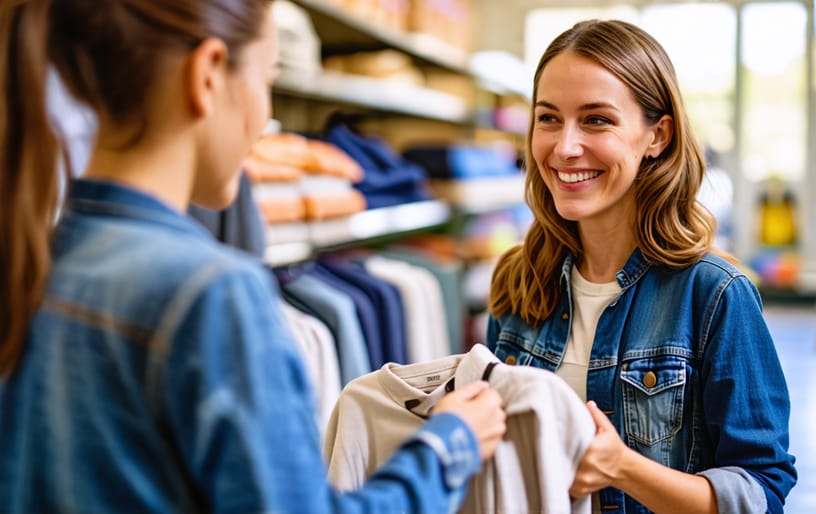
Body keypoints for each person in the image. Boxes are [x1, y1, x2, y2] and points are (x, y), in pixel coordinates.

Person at [0, 1, 506, 513]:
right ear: (208, 75)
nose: (265, 120)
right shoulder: (210, 295)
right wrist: (449, 444)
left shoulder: (34, 255)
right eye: (268, 81)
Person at [485, 19, 797, 514]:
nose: (564, 147)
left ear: (657, 136)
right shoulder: (519, 278)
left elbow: (759, 493)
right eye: (548, 118)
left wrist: (622, 468)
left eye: (596, 120)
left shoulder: (715, 295)